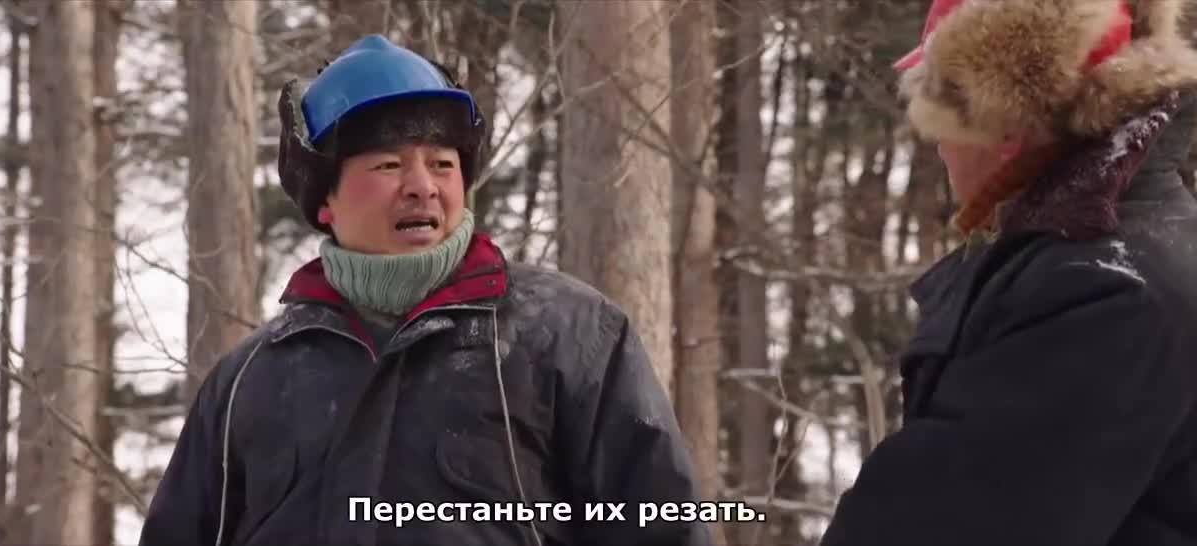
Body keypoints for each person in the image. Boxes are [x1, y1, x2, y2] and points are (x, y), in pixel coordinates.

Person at [137, 34, 709, 546]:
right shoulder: (249, 379)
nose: (421, 187)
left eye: (441, 163)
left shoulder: (569, 335)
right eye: (388, 165)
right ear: (325, 199)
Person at [820, 0, 1197, 544]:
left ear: (1004, 125)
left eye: (945, 115)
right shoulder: (1125, 247)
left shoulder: (1101, 293)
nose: (939, 146)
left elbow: (943, 527)